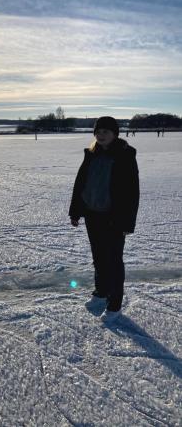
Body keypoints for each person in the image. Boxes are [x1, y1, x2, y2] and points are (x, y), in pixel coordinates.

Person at [69, 116, 139, 323]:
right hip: (93, 215)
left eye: (105, 132)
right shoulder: (91, 154)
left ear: (115, 133)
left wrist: (127, 223)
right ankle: (101, 292)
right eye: (98, 132)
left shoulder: (125, 155)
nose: (101, 135)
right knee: (99, 257)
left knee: (114, 261)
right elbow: (81, 184)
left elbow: (132, 192)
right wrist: (75, 211)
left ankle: (115, 303)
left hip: (114, 218)